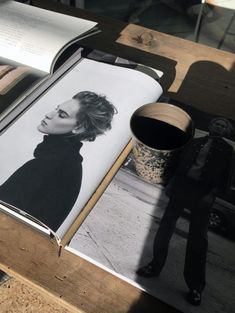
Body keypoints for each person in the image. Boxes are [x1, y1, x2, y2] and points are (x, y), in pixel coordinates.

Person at [137, 117, 234, 305]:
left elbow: (227, 177)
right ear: (210, 125)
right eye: (217, 123)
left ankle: (195, 287)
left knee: (198, 239)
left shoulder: (227, 150)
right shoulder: (196, 142)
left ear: (227, 131)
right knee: (165, 228)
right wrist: (171, 184)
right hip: (182, 188)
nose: (219, 127)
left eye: (224, 126)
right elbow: (178, 163)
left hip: (203, 194)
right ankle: (153, 266)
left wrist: (212, 194)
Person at [0, 91, 116, 231]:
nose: (49, 114)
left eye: (62, 115)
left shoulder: (47, 165)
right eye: (56, 109)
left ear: (79, 128)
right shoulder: (69, 162)